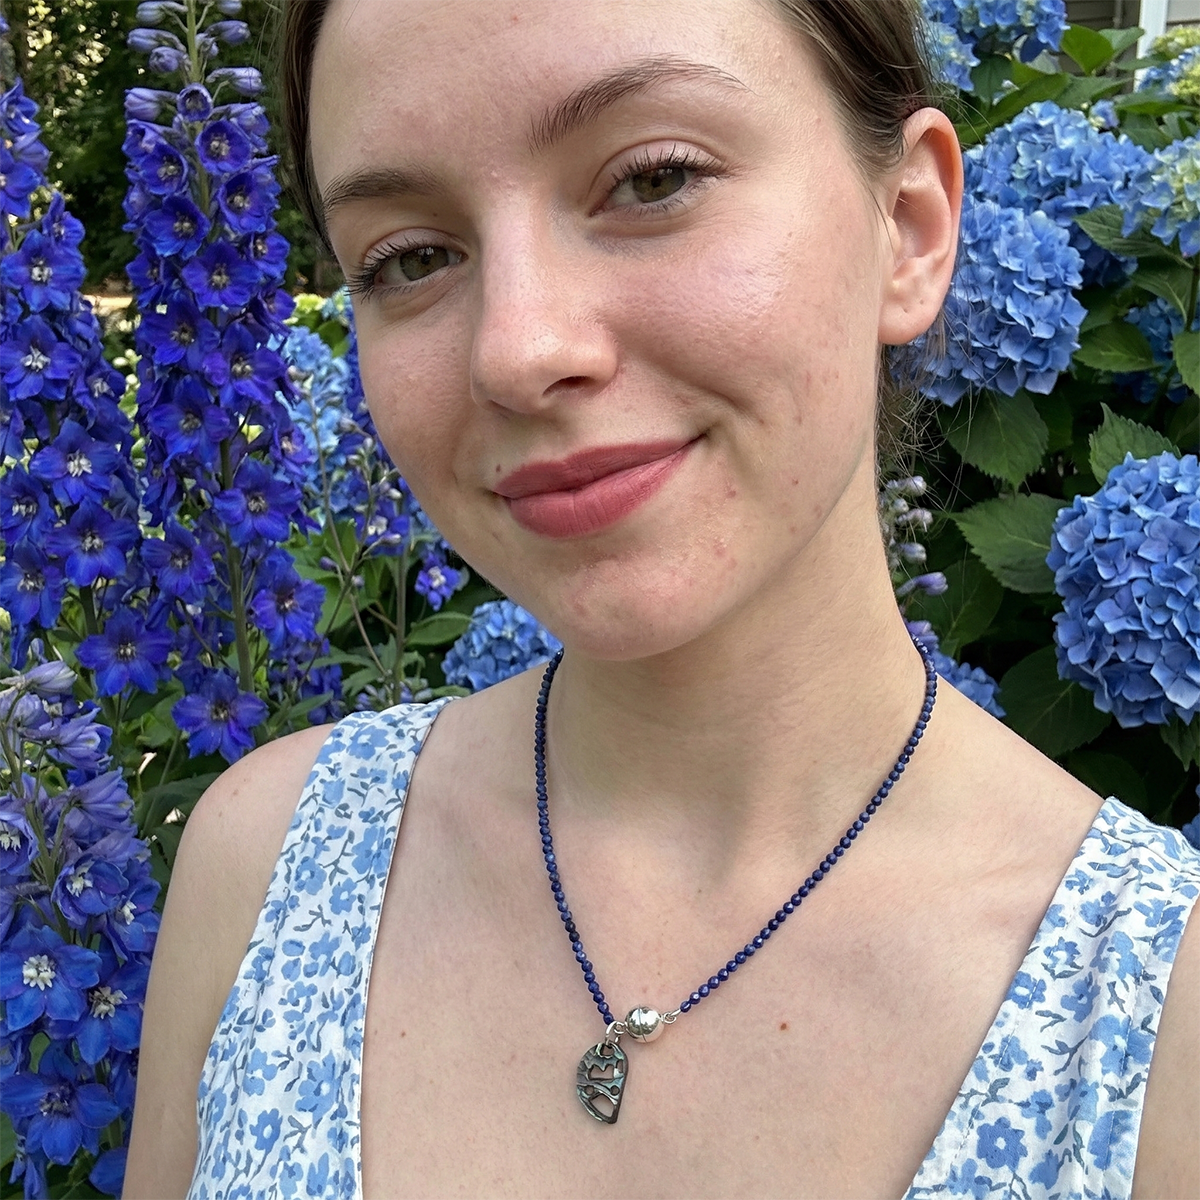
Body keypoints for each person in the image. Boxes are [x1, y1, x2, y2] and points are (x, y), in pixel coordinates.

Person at [124, 0, 1200, 1196]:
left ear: (908, 229)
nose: (517, 352)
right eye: (410, 258)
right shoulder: (265, 870)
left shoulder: (1162, 1023)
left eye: (653, 179)